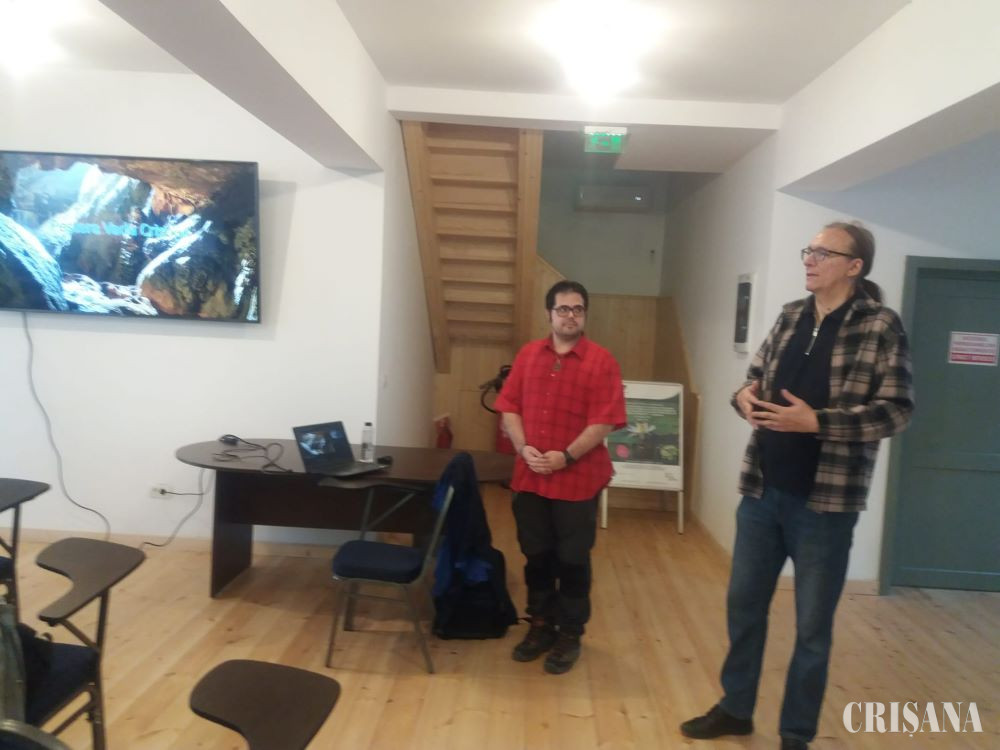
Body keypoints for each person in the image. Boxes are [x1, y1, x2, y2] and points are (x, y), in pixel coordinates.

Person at [681, 221, 914, 749]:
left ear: (854, 266)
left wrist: (818, 422)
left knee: (811, 629)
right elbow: (753, 378)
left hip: (825, 505)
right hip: (762, 492)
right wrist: (743, 397)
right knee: (744, 608)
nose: (809, 259)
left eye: (823, 253)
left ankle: (795, 734)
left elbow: (898, 411)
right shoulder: (790, 315)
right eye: (809, 250)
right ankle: (736, 709)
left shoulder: (880, 325)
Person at [493, 280, 626, 674]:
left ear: (584, 314)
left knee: (571, 559)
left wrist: (565, 456)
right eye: (563, 309)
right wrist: (522, 448)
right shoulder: (528, 355)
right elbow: (509, 406)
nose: (571, 315)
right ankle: (540, 624)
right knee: (536, 554)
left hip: (577, 479)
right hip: (530, 475)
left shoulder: (602, 361)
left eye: (578, 309)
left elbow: (605, 421)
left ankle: (569, 633)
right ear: (549, 313)